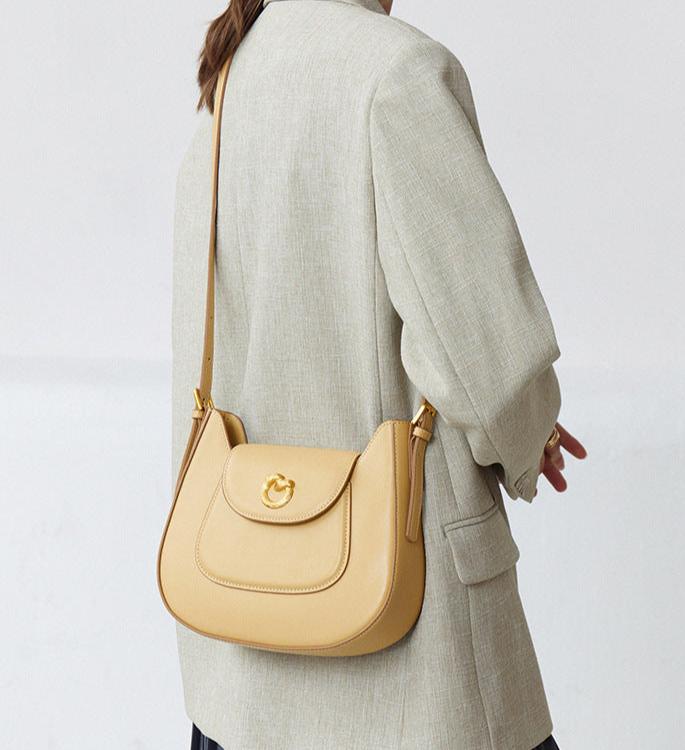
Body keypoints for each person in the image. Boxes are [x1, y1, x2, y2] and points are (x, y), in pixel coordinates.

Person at [171, 0, 587, 748]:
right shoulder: (397, 74)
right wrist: (529, 433)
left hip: (244, 663)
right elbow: (480, 350)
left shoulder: (230, 79)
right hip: (409, 662)